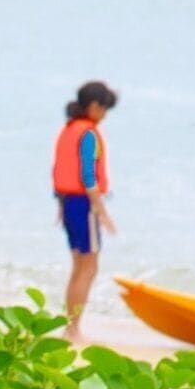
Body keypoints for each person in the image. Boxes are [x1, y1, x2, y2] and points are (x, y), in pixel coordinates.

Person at [51, 81, 117, 345]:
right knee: (88, 267)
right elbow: (88, 176)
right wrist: (102, 211)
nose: (105, 115)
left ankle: (70, 326)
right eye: (104, 108)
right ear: (93, 106)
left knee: (79, 266)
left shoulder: (69, 130)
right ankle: (73, 328)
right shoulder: (88, 134)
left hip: (68, 202)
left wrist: (60, 206)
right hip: (83, 204)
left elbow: (58, 168)